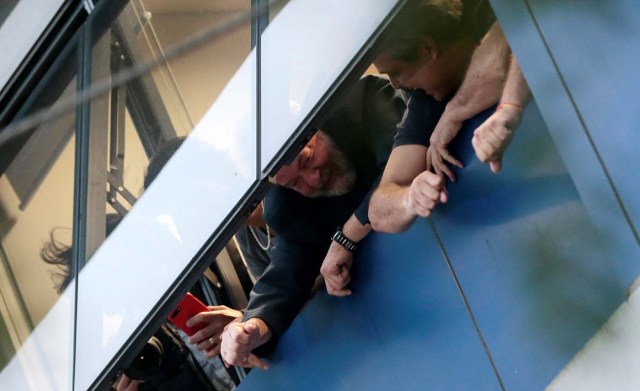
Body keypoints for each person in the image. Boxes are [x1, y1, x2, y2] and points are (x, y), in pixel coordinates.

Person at [218, 75, 407, 369]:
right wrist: (250, 327)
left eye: (307, 160)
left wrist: (347, 235)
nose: (314, 180)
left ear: (315, 125)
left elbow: (403, 164)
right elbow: (284, 277)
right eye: (294, 183)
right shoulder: (286, 208)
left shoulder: (359, 103)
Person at [368, 0, 531, 234]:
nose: (395, 84)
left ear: (427, 48)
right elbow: (378, 211)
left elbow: (519, 34)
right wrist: (410, 197)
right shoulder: (424, 101)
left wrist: (456, 111)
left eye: (396, 72)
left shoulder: (483, 10)